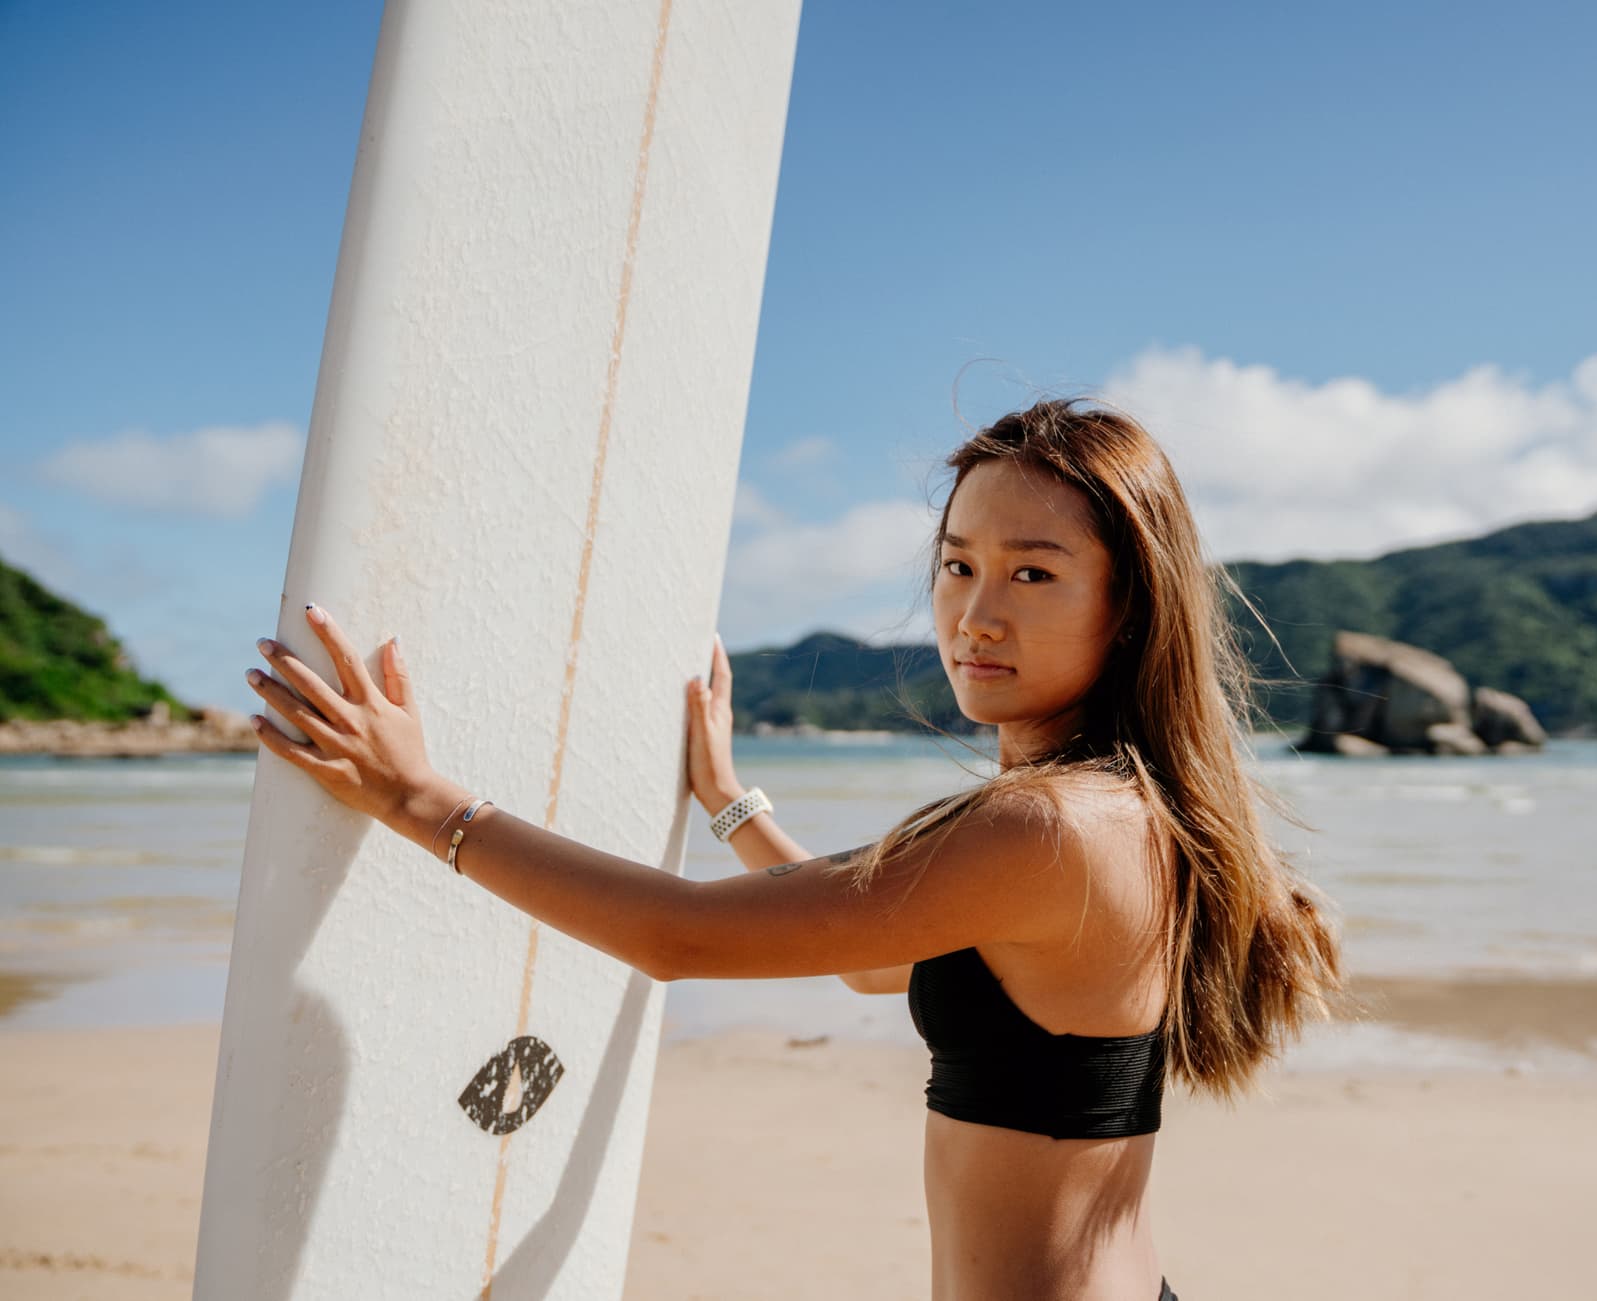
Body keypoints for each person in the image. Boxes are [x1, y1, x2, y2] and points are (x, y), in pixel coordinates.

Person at [243, 397, 1346, 1300]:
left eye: (1034, 572)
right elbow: (873, 952)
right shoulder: (1117, 812)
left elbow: (676, 938)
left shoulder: (1048, 827)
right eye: (959, 564)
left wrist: (422, 798)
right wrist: (727, 801)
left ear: (1131, 604)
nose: (975, 614)